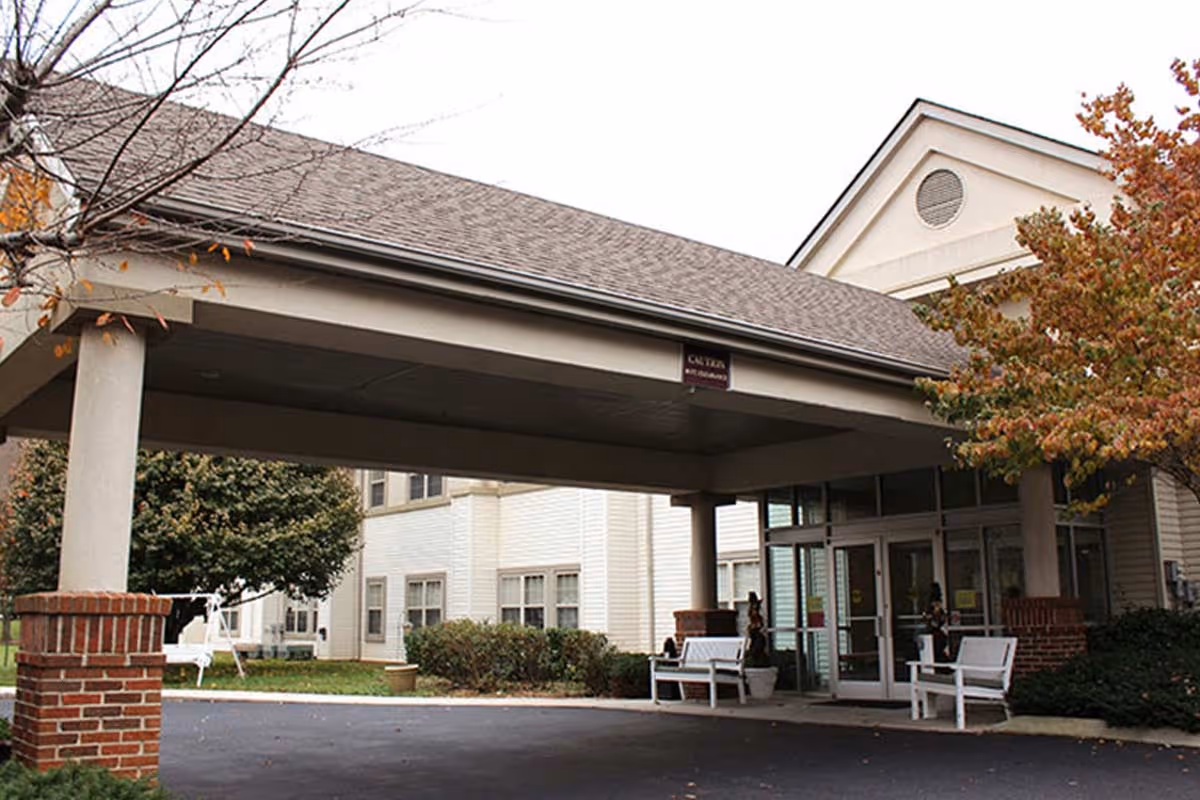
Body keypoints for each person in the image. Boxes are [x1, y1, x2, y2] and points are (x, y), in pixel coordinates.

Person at [923, 582, 951, 663]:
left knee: (936, 651)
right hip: (935, 633)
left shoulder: (932, 605)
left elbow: (935, 619)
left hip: (935, 633)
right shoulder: (936, 605)